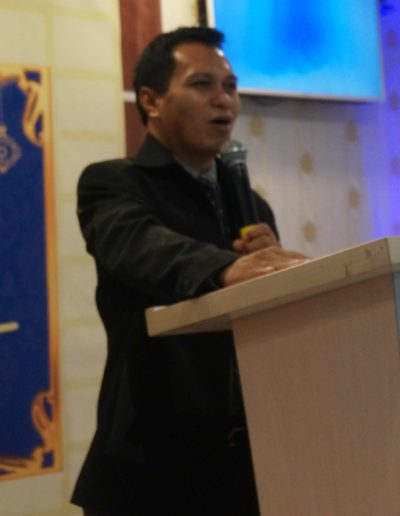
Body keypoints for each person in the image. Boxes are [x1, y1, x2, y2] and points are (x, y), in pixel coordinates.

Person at [71, 26, 306, 516]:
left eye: (231, 87)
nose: (224, 100)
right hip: (150, 471)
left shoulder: (252, 206)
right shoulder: (113, 184)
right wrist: (230, 268)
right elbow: (141, 247)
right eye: (202, 84)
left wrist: (281, 279)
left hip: (250, 466)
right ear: (151, 100)